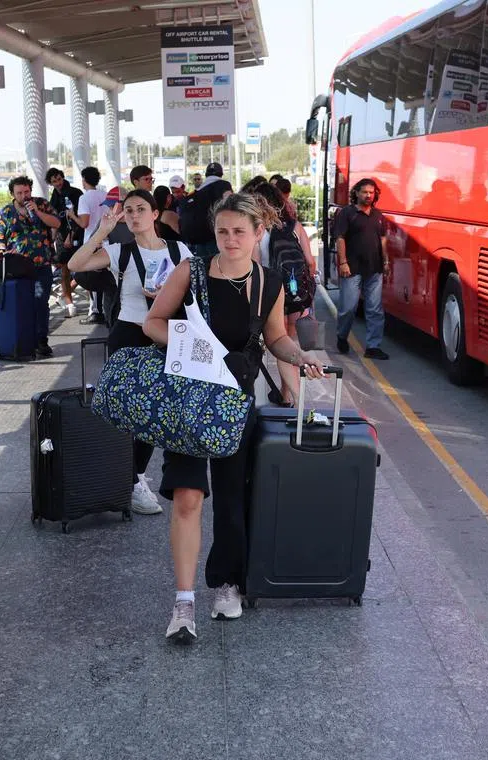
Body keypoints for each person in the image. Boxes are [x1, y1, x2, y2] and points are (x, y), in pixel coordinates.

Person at [143, 193, 325, 643]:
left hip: (235, 403)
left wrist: (299, 356)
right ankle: (183, 601)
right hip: (188, 399)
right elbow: (153, 322)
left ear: (258, 233)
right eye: (222, 231)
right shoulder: (193, 272)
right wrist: (194, 346)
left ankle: (227, 583)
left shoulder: (269, 281)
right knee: (188, 498)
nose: (229, 239)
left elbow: (276, 336)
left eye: (239, 231)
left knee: (231, 497)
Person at [67, 189, 194, 516]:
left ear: (155, 214)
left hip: (166, 333)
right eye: (128, 210)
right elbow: (75, 263)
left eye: (141, 209)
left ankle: (134, 475)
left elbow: (194, 294)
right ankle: (129, 477)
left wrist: (169, 297)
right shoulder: (119, 251)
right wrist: (103, 230)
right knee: (128, 411)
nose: (134, 215)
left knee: (154, 411)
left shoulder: (180, 251)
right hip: (128, 334)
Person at [248, 181, 317, 405]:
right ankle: (291, 396)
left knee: (279, 344)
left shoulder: (258, 229)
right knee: (292, 345)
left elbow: (254, 265)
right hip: (296, 295)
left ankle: (290, 397)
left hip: (272, 295)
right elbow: (310, 262)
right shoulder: (294, 226)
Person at [0, 176, 62, 357]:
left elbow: (57, 223)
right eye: (20, 193)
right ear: (12, 194)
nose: (24, 196)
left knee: (40, 303)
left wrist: (37, 212)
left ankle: (41, 341)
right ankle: (23, 341)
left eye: (27, 192)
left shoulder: (41, 204)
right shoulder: (6, 212)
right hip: (17, 269)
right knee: (21, 304)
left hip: (41, 265)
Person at [334, 178, 390, 360]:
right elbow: (340, 238)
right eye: (365, 192)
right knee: (348, 308)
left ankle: (373, 347)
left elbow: (382, 240)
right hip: (351, 268)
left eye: (371, 192)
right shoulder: (347, 213)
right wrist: (343, 262)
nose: (368, 195)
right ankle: (342, 336)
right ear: (356, 193)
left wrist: (386, 262)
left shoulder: (378, 215)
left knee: (375, 309)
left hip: (374, 268)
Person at [46, 167, 83, 319]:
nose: (58, 183)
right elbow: (55, 219)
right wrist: (53, 237)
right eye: (54, 181)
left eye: (59, 179)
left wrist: (71, 234)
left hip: (77, 233)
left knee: (83, 268)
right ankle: (69, 302)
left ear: (63, 177)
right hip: (61, 236)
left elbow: (80, 217)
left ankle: (69, 295)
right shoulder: (54, 197)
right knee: (64, 269)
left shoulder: (76, 193)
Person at [177, 162, 233, 258]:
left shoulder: (198, 191)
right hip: (214, 237)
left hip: (197, 239)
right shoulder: (224, 185)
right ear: (221, 174)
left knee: (203, 268)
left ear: (206, 175)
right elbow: (231, 204)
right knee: (217, 267)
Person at [75, 166, 108, 325]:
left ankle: (95, 311)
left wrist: (72, 216)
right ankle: (104, 309)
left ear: (84, 180)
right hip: (107, 240)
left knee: (91, 278)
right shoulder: (105, 195)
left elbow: (84, 223)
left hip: (92, 242)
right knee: (105, 277)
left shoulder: (84, 198)